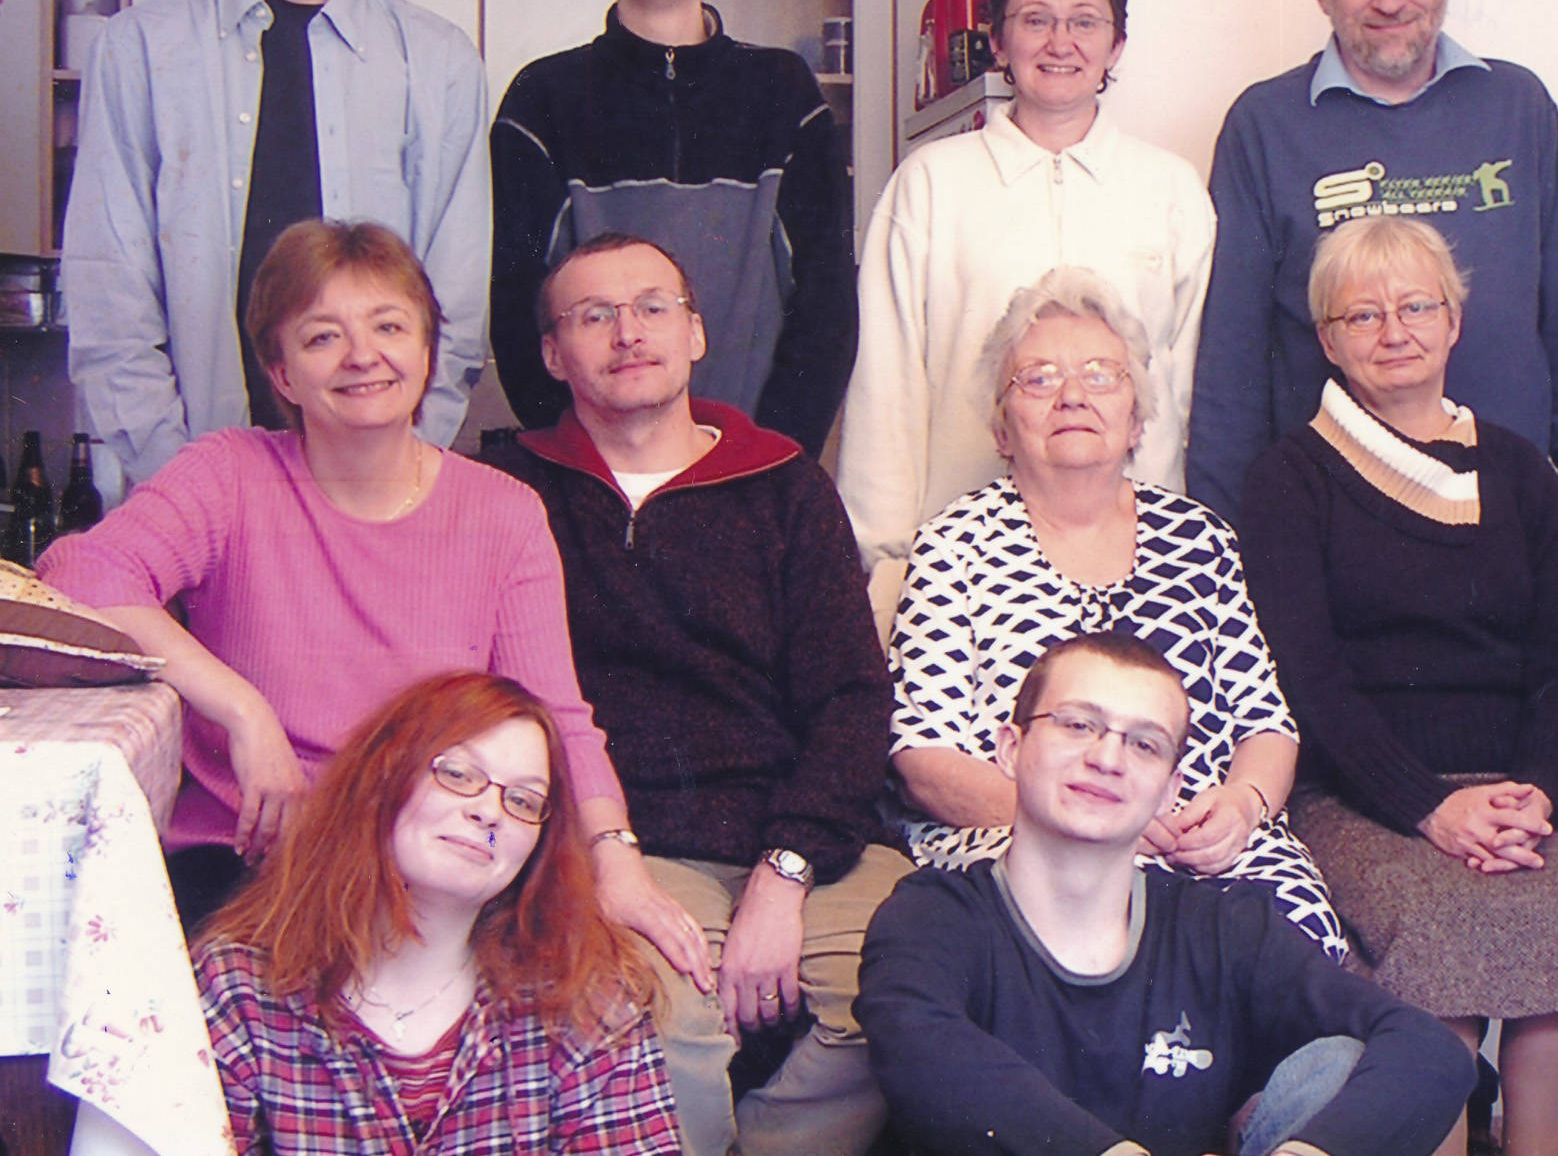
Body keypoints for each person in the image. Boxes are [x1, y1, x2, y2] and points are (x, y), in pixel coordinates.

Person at [38, 221, 694, 975]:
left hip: (436, 872)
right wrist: (243, 709)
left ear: (427, 352)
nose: (362, 356)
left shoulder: (504, 513)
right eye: (322, 337)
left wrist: (616, 861)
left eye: (389, 326)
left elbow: (556, 718)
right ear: (282, 374)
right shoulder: (229, 474)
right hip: (253, 864)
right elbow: (78, 575)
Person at [480, 231, 907, 1156]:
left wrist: (786, 870)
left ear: (696, 332)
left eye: (652, 307)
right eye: (594, 315)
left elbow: (851, 699)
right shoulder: (510, 490)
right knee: (659, 1020)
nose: (628, 332)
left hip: (801, 840)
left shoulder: (785, 484)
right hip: (619, 845)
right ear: (552, 353)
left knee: (912, 988)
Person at [1236, 217, 1558, 1156]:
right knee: (1431, 941)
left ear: (1454, 322)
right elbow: (1308, 678)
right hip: (1361, 797)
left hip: (1515, 797)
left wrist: (1539, 794)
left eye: (1418, 306)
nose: (1395, 330)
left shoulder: (1519, 470)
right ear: (1328, 339)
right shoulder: (1287, 478)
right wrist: (1428, 806)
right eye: (1364, 314)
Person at [858, 631, 1476, 1156]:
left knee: (1342, 1062)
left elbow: (1427, 1049)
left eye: (1144, 743)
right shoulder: (929, 915)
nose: (1108, 758)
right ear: (1011, 749)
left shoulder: (1223, 927)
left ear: (1169, 788)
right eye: (1078, 724)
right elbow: (921, 1051)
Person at [64, 0, 488, 482]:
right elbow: (111, 298)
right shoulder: (139, 50)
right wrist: (186, 485)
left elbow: (453, 310)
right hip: (188, 482)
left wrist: (385, 469)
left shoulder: (438, 61)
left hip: (377, 485)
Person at [889, 266, 1345, 958]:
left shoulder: (1200, 539)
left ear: (1136, 422)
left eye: (1101, 375)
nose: (1072, 395)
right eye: (1038, 378)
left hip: (1201, 845)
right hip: (1025, 840)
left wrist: (1242, 805)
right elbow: (925, 755)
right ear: (1002, 429)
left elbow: (1266, 724)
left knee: (1295, 946)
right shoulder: (955, 544)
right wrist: (1098, 820)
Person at [1191, 0, 1558, 596]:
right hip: (1329, 542)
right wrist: (1224, 546)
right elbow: (1230, 362)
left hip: (1509, 520)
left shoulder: (1516, 107)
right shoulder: (1264, 126)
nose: (1389, 0)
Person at [838, 0, 1214, 569]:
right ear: (998, 41)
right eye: (1036, 19)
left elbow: (1184, 388)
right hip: (960, 560)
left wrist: (1171, 550)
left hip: (1133, 553)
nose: (1060, 42)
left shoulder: (1171, 189)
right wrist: (885, 559)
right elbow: (886, 388)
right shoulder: (929, 184)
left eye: (1085, 21)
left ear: (1117, 45)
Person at [194, 671, 684, 1151]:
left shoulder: (589, 1001)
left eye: (522, 800)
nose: (488, 812)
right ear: (381, 777)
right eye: (458, 775)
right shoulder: (239, 987)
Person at [490, 0, 854, 456]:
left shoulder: (784, 93)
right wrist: (589, 461)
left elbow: (827, 308)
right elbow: (520, 312)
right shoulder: (542, 98)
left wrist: (769, 461)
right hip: (597, 473)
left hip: (755, 470)